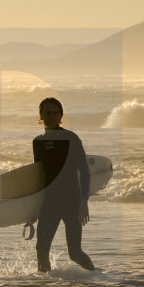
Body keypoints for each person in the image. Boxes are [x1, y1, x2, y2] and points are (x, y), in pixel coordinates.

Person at [32, 97, 95, 273]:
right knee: (41, 250)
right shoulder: (38, 142)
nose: (51, 116)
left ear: (60, 115)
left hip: (71, 202)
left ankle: (96, 278)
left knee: (74, 253)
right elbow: (39, 178)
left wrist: (84, 203)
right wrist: (31, 210)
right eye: (47, 112)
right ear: (41, 115)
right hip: (49, 204)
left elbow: (85, 171)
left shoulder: (70, 138)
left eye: (55, 113)